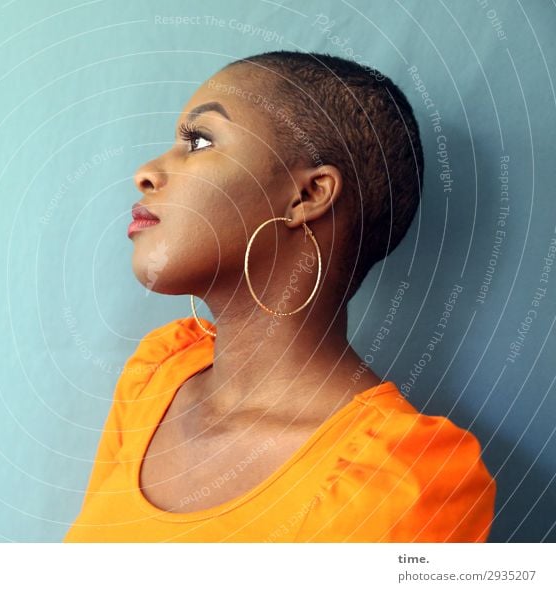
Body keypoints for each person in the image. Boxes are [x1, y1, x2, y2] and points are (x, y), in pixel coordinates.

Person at [63, 51, 496, 542]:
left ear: (308, 196)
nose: (146, 172)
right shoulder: (156, 375)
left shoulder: (400, 480)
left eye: (199, 142)